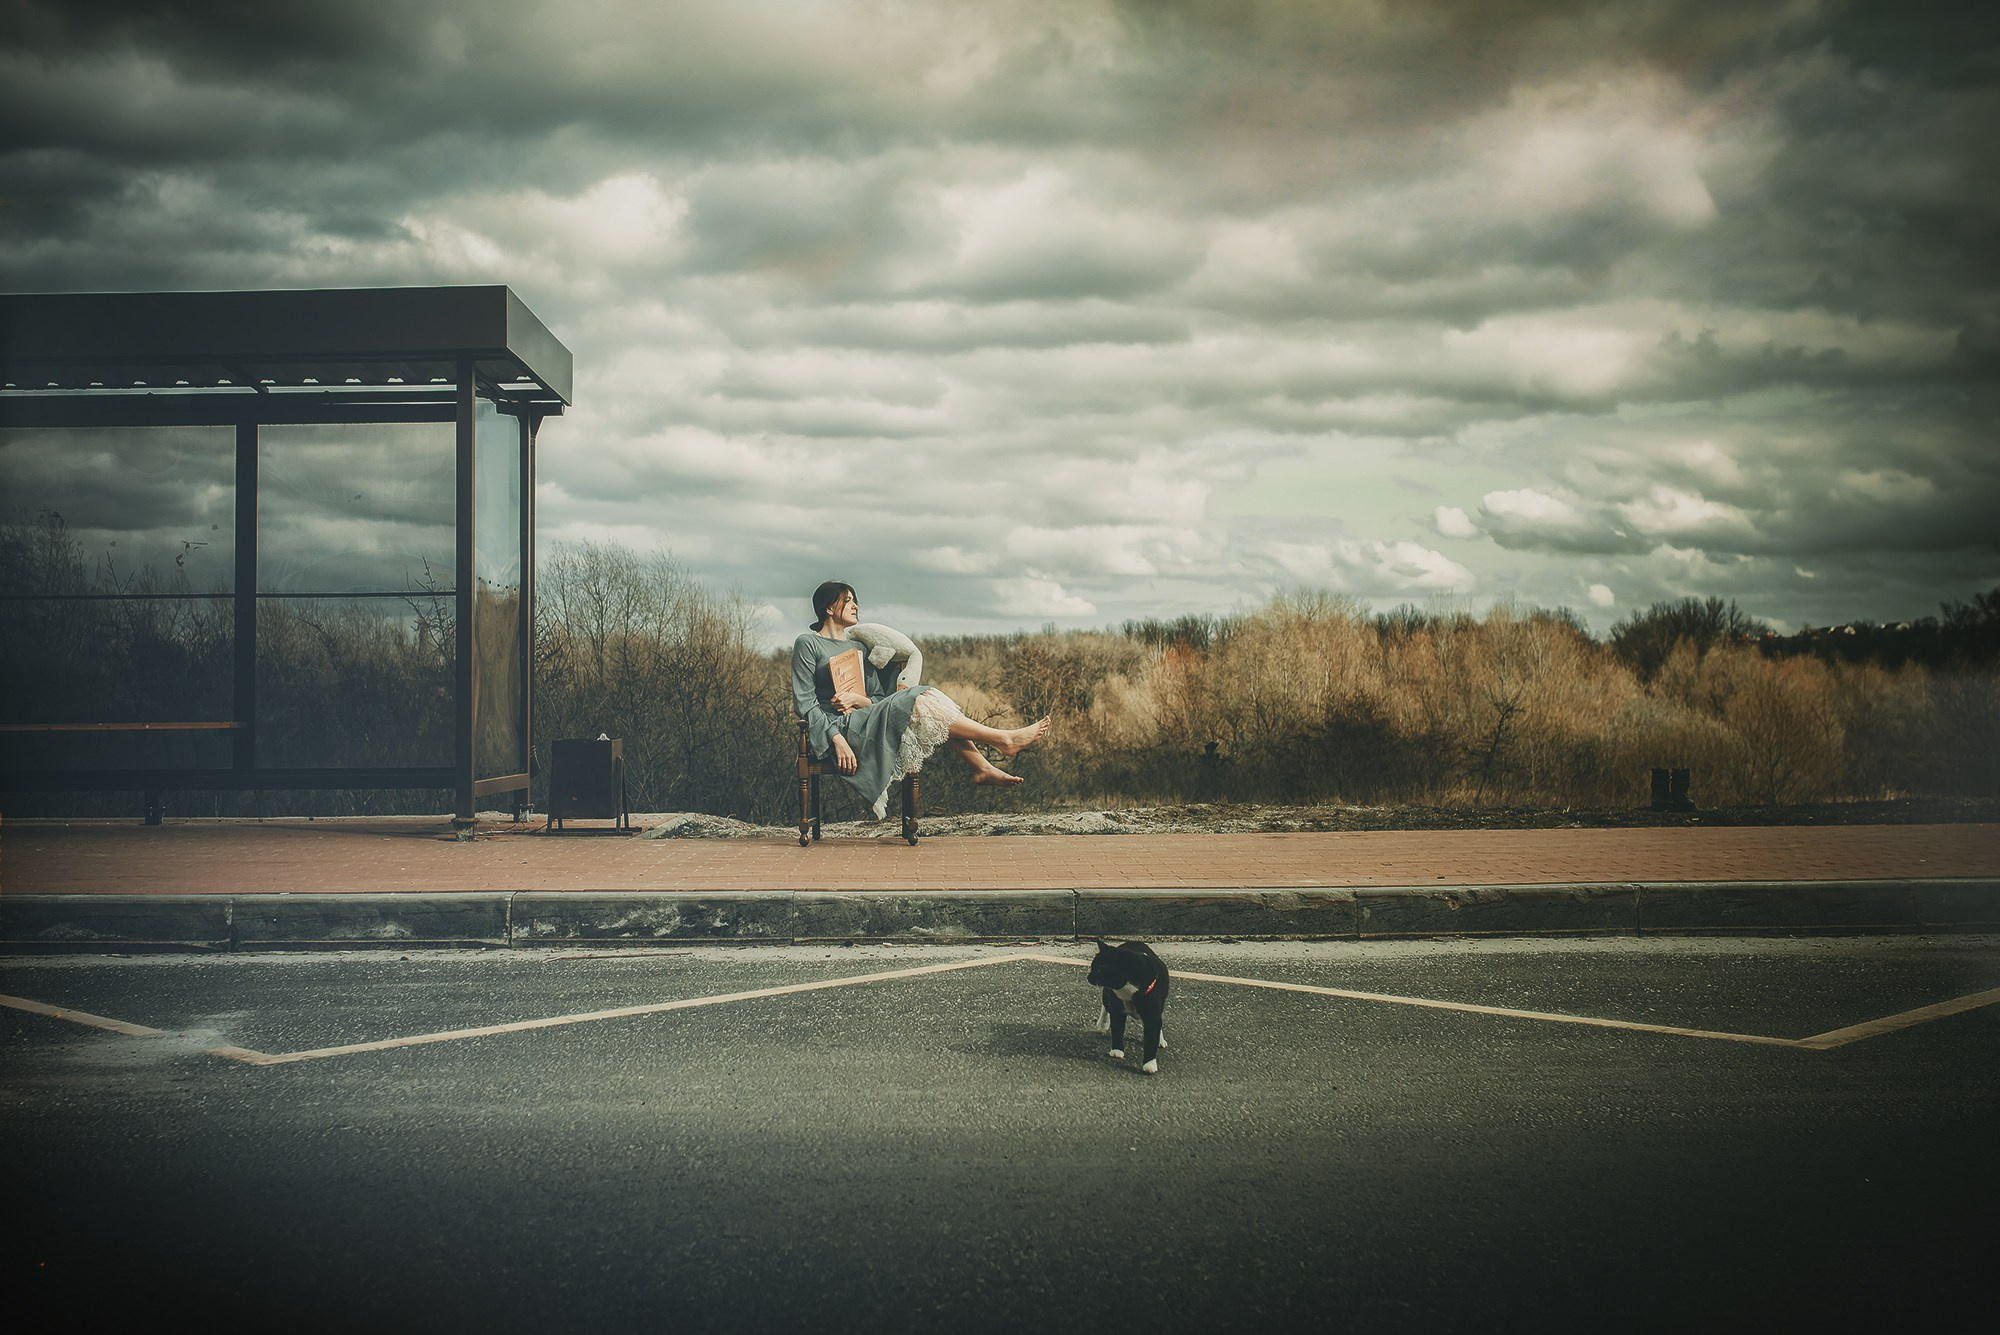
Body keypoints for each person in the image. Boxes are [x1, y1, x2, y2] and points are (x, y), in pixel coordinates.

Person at [791, 580, 1051, 819]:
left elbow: (878, 698)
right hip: (836, 727)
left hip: (867, 718)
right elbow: (805, 703)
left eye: (854, 600)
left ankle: (985, 763)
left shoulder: (858, 648)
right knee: (919, 702)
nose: (855, 605)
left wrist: (857, 700)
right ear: (828, 608)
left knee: (924, 706)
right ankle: (1000, 743)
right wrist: (836, 739)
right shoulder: (808, 644)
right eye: (847, 600)